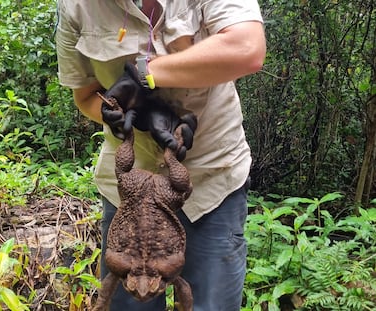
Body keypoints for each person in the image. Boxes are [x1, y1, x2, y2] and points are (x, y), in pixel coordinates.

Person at [55, 1, 266, 310]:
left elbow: (247, 49)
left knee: (210, 304)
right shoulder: (77, 5)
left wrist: (145, 73)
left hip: (211, 180)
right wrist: (118, 113)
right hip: (129, 191)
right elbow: (86, 96)